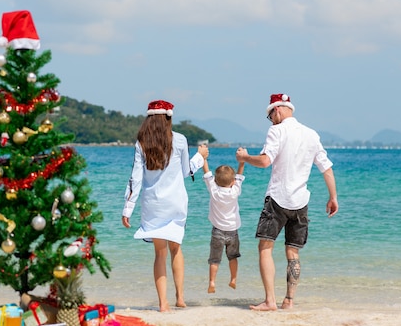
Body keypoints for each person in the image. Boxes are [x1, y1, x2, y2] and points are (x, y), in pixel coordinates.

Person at [236, 93, 338, 311]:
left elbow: (265, 161)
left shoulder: (277, 130)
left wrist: (245, 158)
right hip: (301, 202)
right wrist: (333, 197)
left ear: (278, 110)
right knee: (293, 252)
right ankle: (289, 301)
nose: (270, 119)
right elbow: (326, 168)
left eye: (270, 115)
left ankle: (270, 301)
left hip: (277, 199)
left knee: (265, 247)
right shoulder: (311, 134)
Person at [122, 100, 207, 312]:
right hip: (176, 203)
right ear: (168, 117)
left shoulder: (141, 143)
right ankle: (180, 297)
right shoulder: (179, 140)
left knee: (159, 254)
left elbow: (136, 178)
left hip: (153, 205)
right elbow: (187, 171)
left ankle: (163, 304)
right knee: (176, 249)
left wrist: (127, 208)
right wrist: (201, 156)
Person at [200, 147, 245, 294]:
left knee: (214, 259)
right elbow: (239, 175)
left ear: (216, 181)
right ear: (232, 181)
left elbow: (207, 174)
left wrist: (204, 157)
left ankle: (212, 282)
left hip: (217, 231)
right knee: (233, 257)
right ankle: (233, 279)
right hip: (233, 231)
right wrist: (242, 161)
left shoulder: (214, 190)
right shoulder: (235, 191)